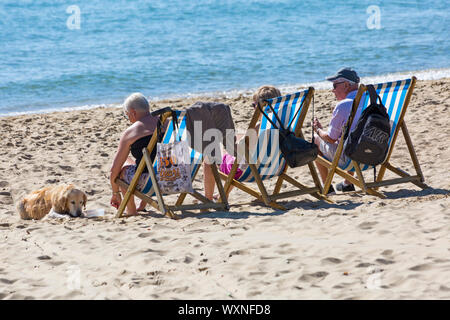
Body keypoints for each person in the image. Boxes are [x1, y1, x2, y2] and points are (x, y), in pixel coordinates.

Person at [203, 85, 281, 200]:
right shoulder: (284, 125)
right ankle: (222, 195)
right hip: (275, 167)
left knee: (209, 159)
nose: (253, 108)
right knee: (240, 154)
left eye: (254, 105)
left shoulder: (258, 129)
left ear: (262, 107)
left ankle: (207, 199)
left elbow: (240, 151)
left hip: (252, 171)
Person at [312, 67, 362, 193]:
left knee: (315, 140)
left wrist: (318, 130)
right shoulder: (372, 99)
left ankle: (327, 187)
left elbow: (331, 138)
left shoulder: (344, 105)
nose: (332, 90)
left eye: (335, 85)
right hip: (375, 153)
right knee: (352, 137)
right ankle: (347, 184)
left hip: (349, 157)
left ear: (346, 85)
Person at [110, 93, 159, 216]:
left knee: (123, 169)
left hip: (150, 182)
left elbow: (113, 171)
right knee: (139, 162)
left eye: (127, 115)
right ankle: (142, 205)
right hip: (174, 177)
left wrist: (115, 193)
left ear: (133, 112)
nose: (128, 118)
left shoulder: (131, 132)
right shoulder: (167, 122)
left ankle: (131, 210)